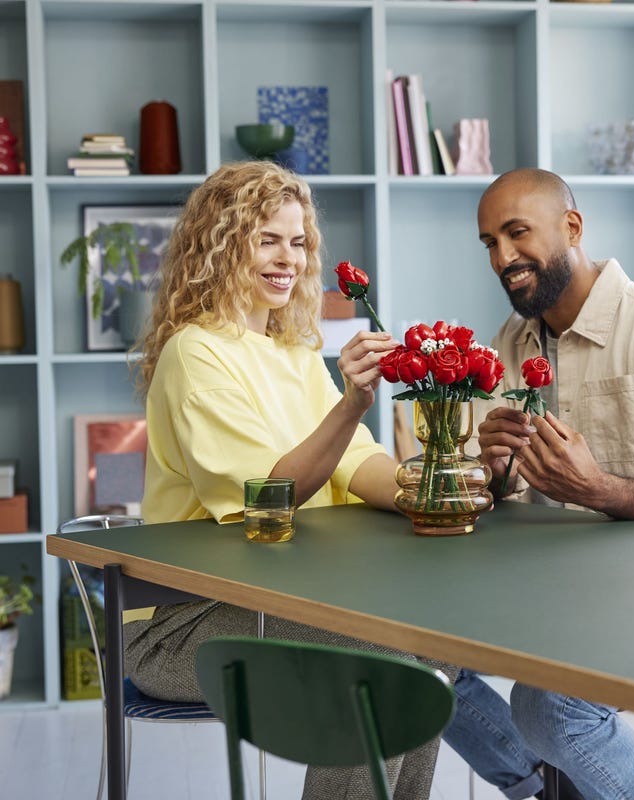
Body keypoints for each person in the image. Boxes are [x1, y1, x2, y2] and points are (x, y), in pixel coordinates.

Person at [123, 160, 452, 800]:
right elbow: (269, 498)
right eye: (267, 238)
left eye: (298, 242)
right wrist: (353, 401)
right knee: (378, 663)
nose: (289, 259)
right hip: (183, 625)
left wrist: (443, 487)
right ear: (220, 243)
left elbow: (358, 465)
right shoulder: (196, 353)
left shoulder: (294, 352)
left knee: (429, 649)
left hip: (288, 601)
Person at [462, 167, 634, 800]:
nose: (504, 258)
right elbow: (501, 486)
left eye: (517, 234)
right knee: (409, 659)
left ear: (572, 228)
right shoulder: (511, 341)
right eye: (490, 244)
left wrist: (601, 490)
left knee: (551, 710)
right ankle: (543, 788)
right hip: (544, 585)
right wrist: (494, 471)